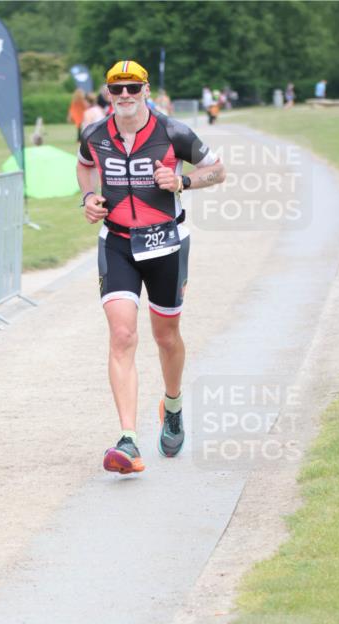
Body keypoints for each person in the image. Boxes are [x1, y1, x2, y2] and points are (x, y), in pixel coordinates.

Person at [77, 59, 225, 474]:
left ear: (145, 89)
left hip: (167, 243)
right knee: (122, 335)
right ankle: (128, 440)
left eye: (132, 87)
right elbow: (84, 166)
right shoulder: (94, 133)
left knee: (166, 336)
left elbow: (218, 170)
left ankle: (173, 405)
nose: (124, 95)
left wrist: (184, 182)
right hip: (118, 242)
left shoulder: (173, 131)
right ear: (108, 92)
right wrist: (87, 199)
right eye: (116, 88)